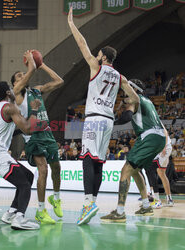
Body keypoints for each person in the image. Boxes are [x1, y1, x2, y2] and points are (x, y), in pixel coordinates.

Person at [68, 7, 140, 225]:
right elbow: (135, 97)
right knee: (98, 162)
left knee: (87, 160)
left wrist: (72, 24)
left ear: (104, 57)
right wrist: (130, 108)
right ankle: (93, 202)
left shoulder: (95, 67)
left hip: (94, 118)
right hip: (108, 121)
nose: (96, 55)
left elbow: (82, 44)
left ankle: (88, 203)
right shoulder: (120, 77)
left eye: (99, 54)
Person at [100, 79, 166, 223]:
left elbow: (126, 118)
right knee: (135, 170)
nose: (124, 92)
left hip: (149, 136)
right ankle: (146, 206)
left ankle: (120, 212)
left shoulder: (134, 100)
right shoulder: (146, 101)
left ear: (133, 89)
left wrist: (113, 122)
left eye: (126, 88)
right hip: (159, 138)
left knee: (126, 170)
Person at [0, 81, 42, 230]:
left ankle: (11, 213)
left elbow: (10, 132)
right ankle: (19, 218)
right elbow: (27, 128)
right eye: (11, 88)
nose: (13, 90)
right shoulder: (10, 108)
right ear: (8, 93)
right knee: (24, 184)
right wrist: (34, 110)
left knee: (28, 177)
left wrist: (28, 127)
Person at [12, 50, 64, 224]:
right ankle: (41, 211)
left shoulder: (36, 90)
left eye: (23, 74)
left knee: (56, 168)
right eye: (19, 76)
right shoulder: (16, 92)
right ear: (15, 83)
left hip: (47, 133)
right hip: (33, 136)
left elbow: (59, 81)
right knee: (43, 170)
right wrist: (32, 63)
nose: (22, 77)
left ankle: (55, 198)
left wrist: (42, 65)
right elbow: (31, 71)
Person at [146, 133, 174, 208]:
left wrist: (164, 148)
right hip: (162, 149)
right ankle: (169, 198)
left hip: (162, 149)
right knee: (161, 174)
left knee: (149, 168)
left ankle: (157, 199)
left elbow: (165, 132)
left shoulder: (154, 122)